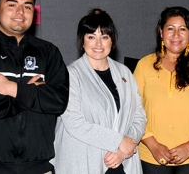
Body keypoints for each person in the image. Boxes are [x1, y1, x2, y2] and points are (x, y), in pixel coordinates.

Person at [0, 0, 69, 173]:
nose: (20, 12)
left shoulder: (49, 52)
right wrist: (29, 95)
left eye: (27, 6)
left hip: (38, 167)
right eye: (12, 4)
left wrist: (11, 88)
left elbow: (58, 101)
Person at [52, 9, 146, 174]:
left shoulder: (124, 73)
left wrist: (123, 150)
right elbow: (75, 123)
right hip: (84, 161)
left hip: (121, 162)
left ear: (112, 41)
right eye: (91, 37)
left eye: (104, 37)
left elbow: (139, 116)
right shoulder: (70, 75)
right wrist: (118, 141)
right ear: (82, 41)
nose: (98, 44)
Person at [134, 6, 189, 173]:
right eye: (170, 28)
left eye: (183, 29)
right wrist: (152, 144)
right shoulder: (144, 66)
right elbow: (132, 109)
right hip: (152, 156)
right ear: (161, 33)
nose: (176, 35)